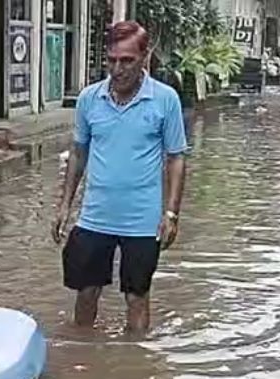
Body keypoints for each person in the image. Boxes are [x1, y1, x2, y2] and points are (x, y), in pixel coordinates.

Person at [52, 20, 188, 334]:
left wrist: (171, 214)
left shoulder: (165, 100)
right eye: (112, 59)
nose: (118, 68)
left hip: (142, 221)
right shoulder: (89, 99)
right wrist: (64, 206)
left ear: (144, 58)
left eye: (127, 60)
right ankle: (84, 360)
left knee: (136, 297)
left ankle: (135, 365)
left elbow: (176, 158)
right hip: (95, 216)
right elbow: (79, 153)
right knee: (86, 293)